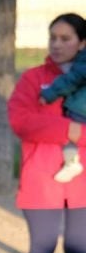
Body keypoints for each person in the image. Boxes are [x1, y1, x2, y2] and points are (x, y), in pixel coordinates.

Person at [8, 13, 86, 253]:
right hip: (41, 178)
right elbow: (21, 121)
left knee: (80, 251)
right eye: (53, 37)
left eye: (66, 38)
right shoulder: (33, 79)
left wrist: (76, 136)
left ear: (82, 43)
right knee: (41, 249)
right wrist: (67, 130)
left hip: (81, 182)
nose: (57, 44)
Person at [39, 28, 86, 184]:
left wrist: (49, 93)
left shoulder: (83, 61)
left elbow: (72, 80)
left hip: (80, 108)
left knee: (68, 132)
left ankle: (71, 162)